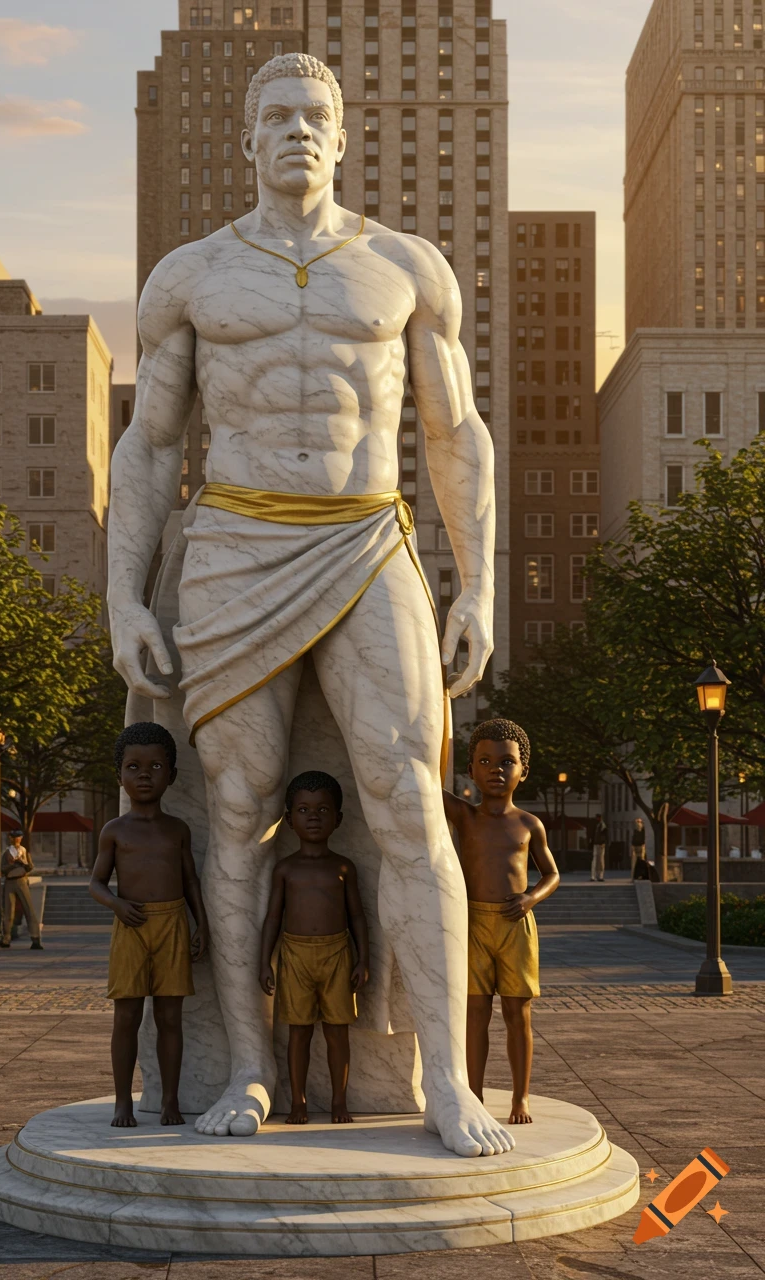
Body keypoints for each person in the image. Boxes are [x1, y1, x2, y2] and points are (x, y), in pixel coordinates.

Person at [108, 52, 514, 1159]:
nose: (295, 130)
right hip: (231, 544)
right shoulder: (188, 276)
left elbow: (453, 432)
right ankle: (243, 1067)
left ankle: (437, 1075)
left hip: (365, 538)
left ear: (342, 138)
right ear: (246, 139)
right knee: (233, 809)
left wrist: (475, 580)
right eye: (275, 115)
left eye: (314, 116)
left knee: (405, 797)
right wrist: (120, 595)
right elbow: (147, 444)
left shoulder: (404, 267)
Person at [89, 722, 209, 1128]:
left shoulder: (177, 830)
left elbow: (191, 880)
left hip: (172, 923)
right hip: (132, 927)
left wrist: (202, 925)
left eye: (155, 767)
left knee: (169, 1018)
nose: (144, 775)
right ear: (118, 775)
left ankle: (169, 1101)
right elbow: (96, 882)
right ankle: (123, 1101)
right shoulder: (115, 831)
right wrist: (117, 904)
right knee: (126, 1017)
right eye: (134, 767)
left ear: (171, 775)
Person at [443, 720, 560, 1125]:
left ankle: (520, 1097)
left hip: (515, 926)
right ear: (470, 770)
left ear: (523, 771)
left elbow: (552, 874)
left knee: (517, 1013)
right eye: (485, 761)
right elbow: (426, 777)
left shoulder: (529, 825)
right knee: (475, 1013)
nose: (496, 769)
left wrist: (530, 898)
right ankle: (473, 1094)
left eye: (507, 762)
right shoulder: (464, 816)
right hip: (473, 923)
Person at [259, 771, 369, 1126]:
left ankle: (340, 1100)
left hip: (338, 954)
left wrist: (363, 959)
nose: (314, 816)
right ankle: (299, 1102)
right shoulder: (285, 869)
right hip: (294, 956)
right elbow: (273, 919)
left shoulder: (343, 867)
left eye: (323, 810)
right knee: (299, 1032)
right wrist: (265, 962)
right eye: (304, 810)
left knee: (338, 1031)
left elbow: (357, 917)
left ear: (337, 818)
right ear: (290, 820)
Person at [0, 831, 43, 950]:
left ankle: (35, 938)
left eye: (18, 837)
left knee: (29, 909)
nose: (16, 840)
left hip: (21, 880)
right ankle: (6, 938)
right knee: (8, 910)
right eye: (14, 838)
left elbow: (30, 866)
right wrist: (12, 864)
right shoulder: (7, 852)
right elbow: (2, 869)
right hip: (9, 881)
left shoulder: (24, 851)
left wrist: (23, 864)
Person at [591, 814, 608, 882]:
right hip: (597, 844)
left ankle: (599, 875)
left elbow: (605, 835)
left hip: (600, 844)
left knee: (600, 861)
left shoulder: (602, 826)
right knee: (596, 860)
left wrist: (603, 842)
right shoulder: (598, 825)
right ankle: (595, 876)